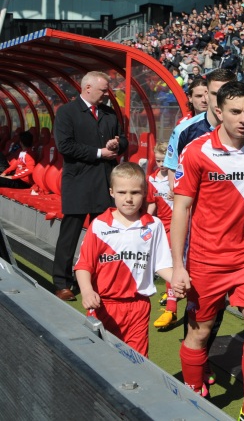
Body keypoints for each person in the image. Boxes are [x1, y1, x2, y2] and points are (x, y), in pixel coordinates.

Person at [171, 81, 244, 421]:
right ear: (218, 111)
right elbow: (181, 209)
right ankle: (193, 394)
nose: (243, 118)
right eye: (235, 111)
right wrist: (178, 265)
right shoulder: (197, 150)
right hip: (205, 259)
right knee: (199, 333)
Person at [74, 162, 174, 357]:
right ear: (112, 192)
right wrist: (86, 291)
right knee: (101, 362)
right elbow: (84, 265)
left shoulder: (154, 225)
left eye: (135, 192)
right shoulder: (100, 225)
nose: (128, 199)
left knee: (137, 363)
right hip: (104, 306)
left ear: (145, 192)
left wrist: (177, 279)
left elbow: (162, 264)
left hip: (139, 306)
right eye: (122, 192)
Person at [53, 71, 128, 301]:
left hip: (104, 181)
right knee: (70, 233)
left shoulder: (108, 113)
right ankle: (62, 283)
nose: (107, 94)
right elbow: (65, 146)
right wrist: (99, 152)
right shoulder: (67, 112)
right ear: (87, 88)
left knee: (103, 234)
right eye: (103, 89)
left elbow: (123, 139)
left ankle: (99, 280)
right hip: (77, 181)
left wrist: (117, 144)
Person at [148, 142, 177, 330]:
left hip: (181, 224)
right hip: (164, 226)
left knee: (174, 264)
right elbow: (152, 204)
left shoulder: (177, 177)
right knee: (168, 264)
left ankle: (172, 308)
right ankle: (171, 305)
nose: (161, 164)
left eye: (164, 160)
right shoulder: (151, 179)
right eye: (158, 160)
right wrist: (147, 223)